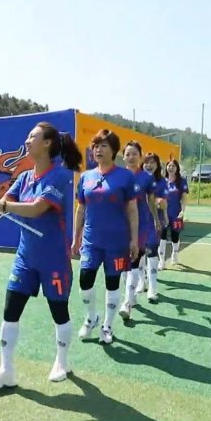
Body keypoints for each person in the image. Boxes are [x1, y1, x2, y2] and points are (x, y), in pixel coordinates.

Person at [0, 122, 82, 388]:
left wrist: (1, 205)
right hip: (25, 258)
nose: (27, 140)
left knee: (59, 311)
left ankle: (62, 362)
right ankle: (6, 370)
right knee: (10, 310)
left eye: (33, 136)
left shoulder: (60, 176)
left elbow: (36, 209)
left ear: (47, 143)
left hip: (54, 259)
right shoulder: (23, 178)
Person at [72, 129, 139, 344]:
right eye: (95, 146)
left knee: (112, 283)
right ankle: (91, 318)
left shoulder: (125, 177)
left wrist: (134, 239)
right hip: (91, 241)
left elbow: (132, 210)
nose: (98, 150)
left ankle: (107, 326)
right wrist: (76, 237)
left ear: (114, 151)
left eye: (103, 146)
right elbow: (81, 209)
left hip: (116, 242)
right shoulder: (86, 177)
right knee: (85, 280)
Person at [119, 142, 161, 321]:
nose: (131, 157)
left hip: (142, 225)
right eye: (128, 154)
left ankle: (127, 302)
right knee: (123, 266)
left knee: (134, 262)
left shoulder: (146, 178)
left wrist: (156, 220)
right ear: (123, 157)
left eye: (134, 154)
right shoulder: (118, 175)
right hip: (121, 225)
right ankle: (131, 296)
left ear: (140, 156)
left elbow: (151, 202)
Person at [136, 152, 168, 293]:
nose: (149, 165)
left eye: (152, 162)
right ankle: (141, 282)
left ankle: (152, 287)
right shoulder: (137, 178)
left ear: (158, 165)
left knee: (151, 252)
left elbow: (164, 202)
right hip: (138, 221)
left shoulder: (162, 182)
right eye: (146, 162)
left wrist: (162, 209)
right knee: (139, 253)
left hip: (154, 222)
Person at [164, 158, 190, 265]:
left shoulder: (181, 182)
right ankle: (161, 261)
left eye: (173, 166)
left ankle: (174, 254)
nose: (171, 168)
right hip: (163, 213)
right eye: (169, 165)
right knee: (162, 236)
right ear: (166, 167)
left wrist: (182, 211)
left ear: (177, 168)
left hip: (176, 213)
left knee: (175, 236)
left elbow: (184, 198)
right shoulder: (162, 181)